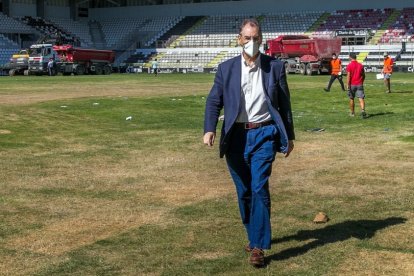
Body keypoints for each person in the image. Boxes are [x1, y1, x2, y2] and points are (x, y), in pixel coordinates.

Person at [203, 18, 295, 267]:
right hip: (236, 137)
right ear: (239, 39)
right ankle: (252, 234)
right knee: (243, 192)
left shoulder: (275, 67)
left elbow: (284, 104)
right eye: (247, 38)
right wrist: (210, 129)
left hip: (264, 135)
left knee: (258, 188)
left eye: (256, 38)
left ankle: (258, 246)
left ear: (261, 39)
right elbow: (214, 102)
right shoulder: (226, 69)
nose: (251, 42)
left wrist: (290, 136)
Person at [346, 53, 367, 118]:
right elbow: (363, 75)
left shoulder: (349, 65)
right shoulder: (360, 65)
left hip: (352, 84)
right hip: (359, 84)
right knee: (361, 98)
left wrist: (347, 84)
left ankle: (352, 113)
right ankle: (363, 110)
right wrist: (362, 81)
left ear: (350, 57)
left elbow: (348, 76)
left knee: (351, 98)